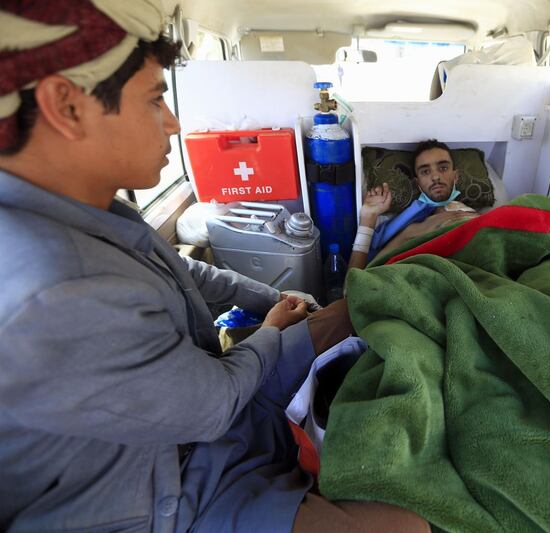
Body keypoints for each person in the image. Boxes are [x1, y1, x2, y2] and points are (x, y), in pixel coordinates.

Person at [0, 2, 427, 532]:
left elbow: (190, 275)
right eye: (156, 99)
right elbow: (215, 403)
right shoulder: (55, 287)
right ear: (67, 106)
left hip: (204, 415)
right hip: (171, 492)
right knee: (408, 527)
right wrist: (272, 333)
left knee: (353, 307)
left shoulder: (93, 209)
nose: (174, 122)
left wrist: (276, 303)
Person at [348, 136, 550, 269]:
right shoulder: (411, 230)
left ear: (456, 176)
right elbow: (358, 283)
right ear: (417, 182)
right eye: (425, 171)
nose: (436, 176)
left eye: (443, 168)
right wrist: (368, 217)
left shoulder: (488, 219)